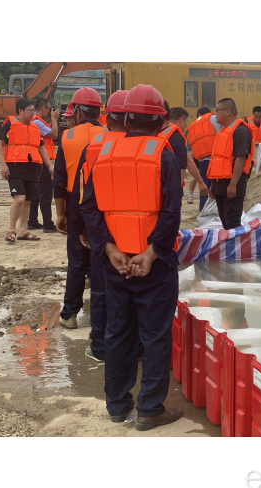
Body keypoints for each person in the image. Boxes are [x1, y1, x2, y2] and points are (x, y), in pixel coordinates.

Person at [80, 84, 183, 430]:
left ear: (123, 118)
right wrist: (152, 254)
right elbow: (170, 213)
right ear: (161, 120)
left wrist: (109, 250)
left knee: (118, 332)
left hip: (116, 264)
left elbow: (90, 208)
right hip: (153, 265)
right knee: (154, 335)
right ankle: (151, 408)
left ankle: (117, 406)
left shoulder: (104, 154)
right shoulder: (163, 155)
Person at [73, 90, 129, 362]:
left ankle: (100, 347)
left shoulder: (95, 147)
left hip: (102, 232)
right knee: (136, 293)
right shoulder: (155, 148)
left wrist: (83, 230)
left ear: (108, 117)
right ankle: (136, 348)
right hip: (139, 236)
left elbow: (81, 195)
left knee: (101, 291)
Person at [53, 87, 106, 329]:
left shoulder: (67, 137)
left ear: (79, 112)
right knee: (100, 259)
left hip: (75, 203)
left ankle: (70, 314)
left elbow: (60, 179)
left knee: (76, 262)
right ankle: (101, 317)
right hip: (104, 203)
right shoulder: (109, 135)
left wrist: (60, 213)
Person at [0, 98, 51, 242]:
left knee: (28, 200)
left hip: (32, 167)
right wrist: (3, 165)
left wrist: (50, 166)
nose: (33, 113)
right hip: (14, 167)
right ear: (20, 111)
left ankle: (23, 231)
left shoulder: (34, 127)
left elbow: (41, 147)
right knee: (19, 199)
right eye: (30, 111)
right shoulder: (9, 125)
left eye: (33, 110)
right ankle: (11, 230)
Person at [207, 97, 254, 230]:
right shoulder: (223, 132)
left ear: (228, 112)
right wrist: (213, 185)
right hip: (220, 187)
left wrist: (233, 185)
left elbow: (241, 159)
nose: (215, 114)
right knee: (225, 224)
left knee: (232, 225)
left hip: (232, 188)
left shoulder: (241, 131)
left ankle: (236, 250)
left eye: (218, 110)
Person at [159, 106, 208, 200]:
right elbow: (187, 163)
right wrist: (201, 182)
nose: (186, 125)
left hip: (160, 183)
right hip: (172, 187)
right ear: (181, 120)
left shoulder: (161, 132)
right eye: (186, 121)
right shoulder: (177, 137)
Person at [28, 98, 59, 232]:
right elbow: (54, 134)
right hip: (43, 162)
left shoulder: (35, 122)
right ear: (43, 108)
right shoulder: (37, 122)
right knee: (45, 193)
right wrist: (55, 119)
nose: (49, 111)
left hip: (38, 161)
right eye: (48, 108)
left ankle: (32, 220)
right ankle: (48, 223)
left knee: (36, 193)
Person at [187, 106, 223, 211]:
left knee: (204, 190)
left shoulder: (194, 125)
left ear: (198, 115)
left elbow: (191, 144)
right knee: (218, 189)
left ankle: (203, 213)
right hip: (218, 159)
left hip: (203, 161)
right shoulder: (215, 118)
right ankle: (217, 213)